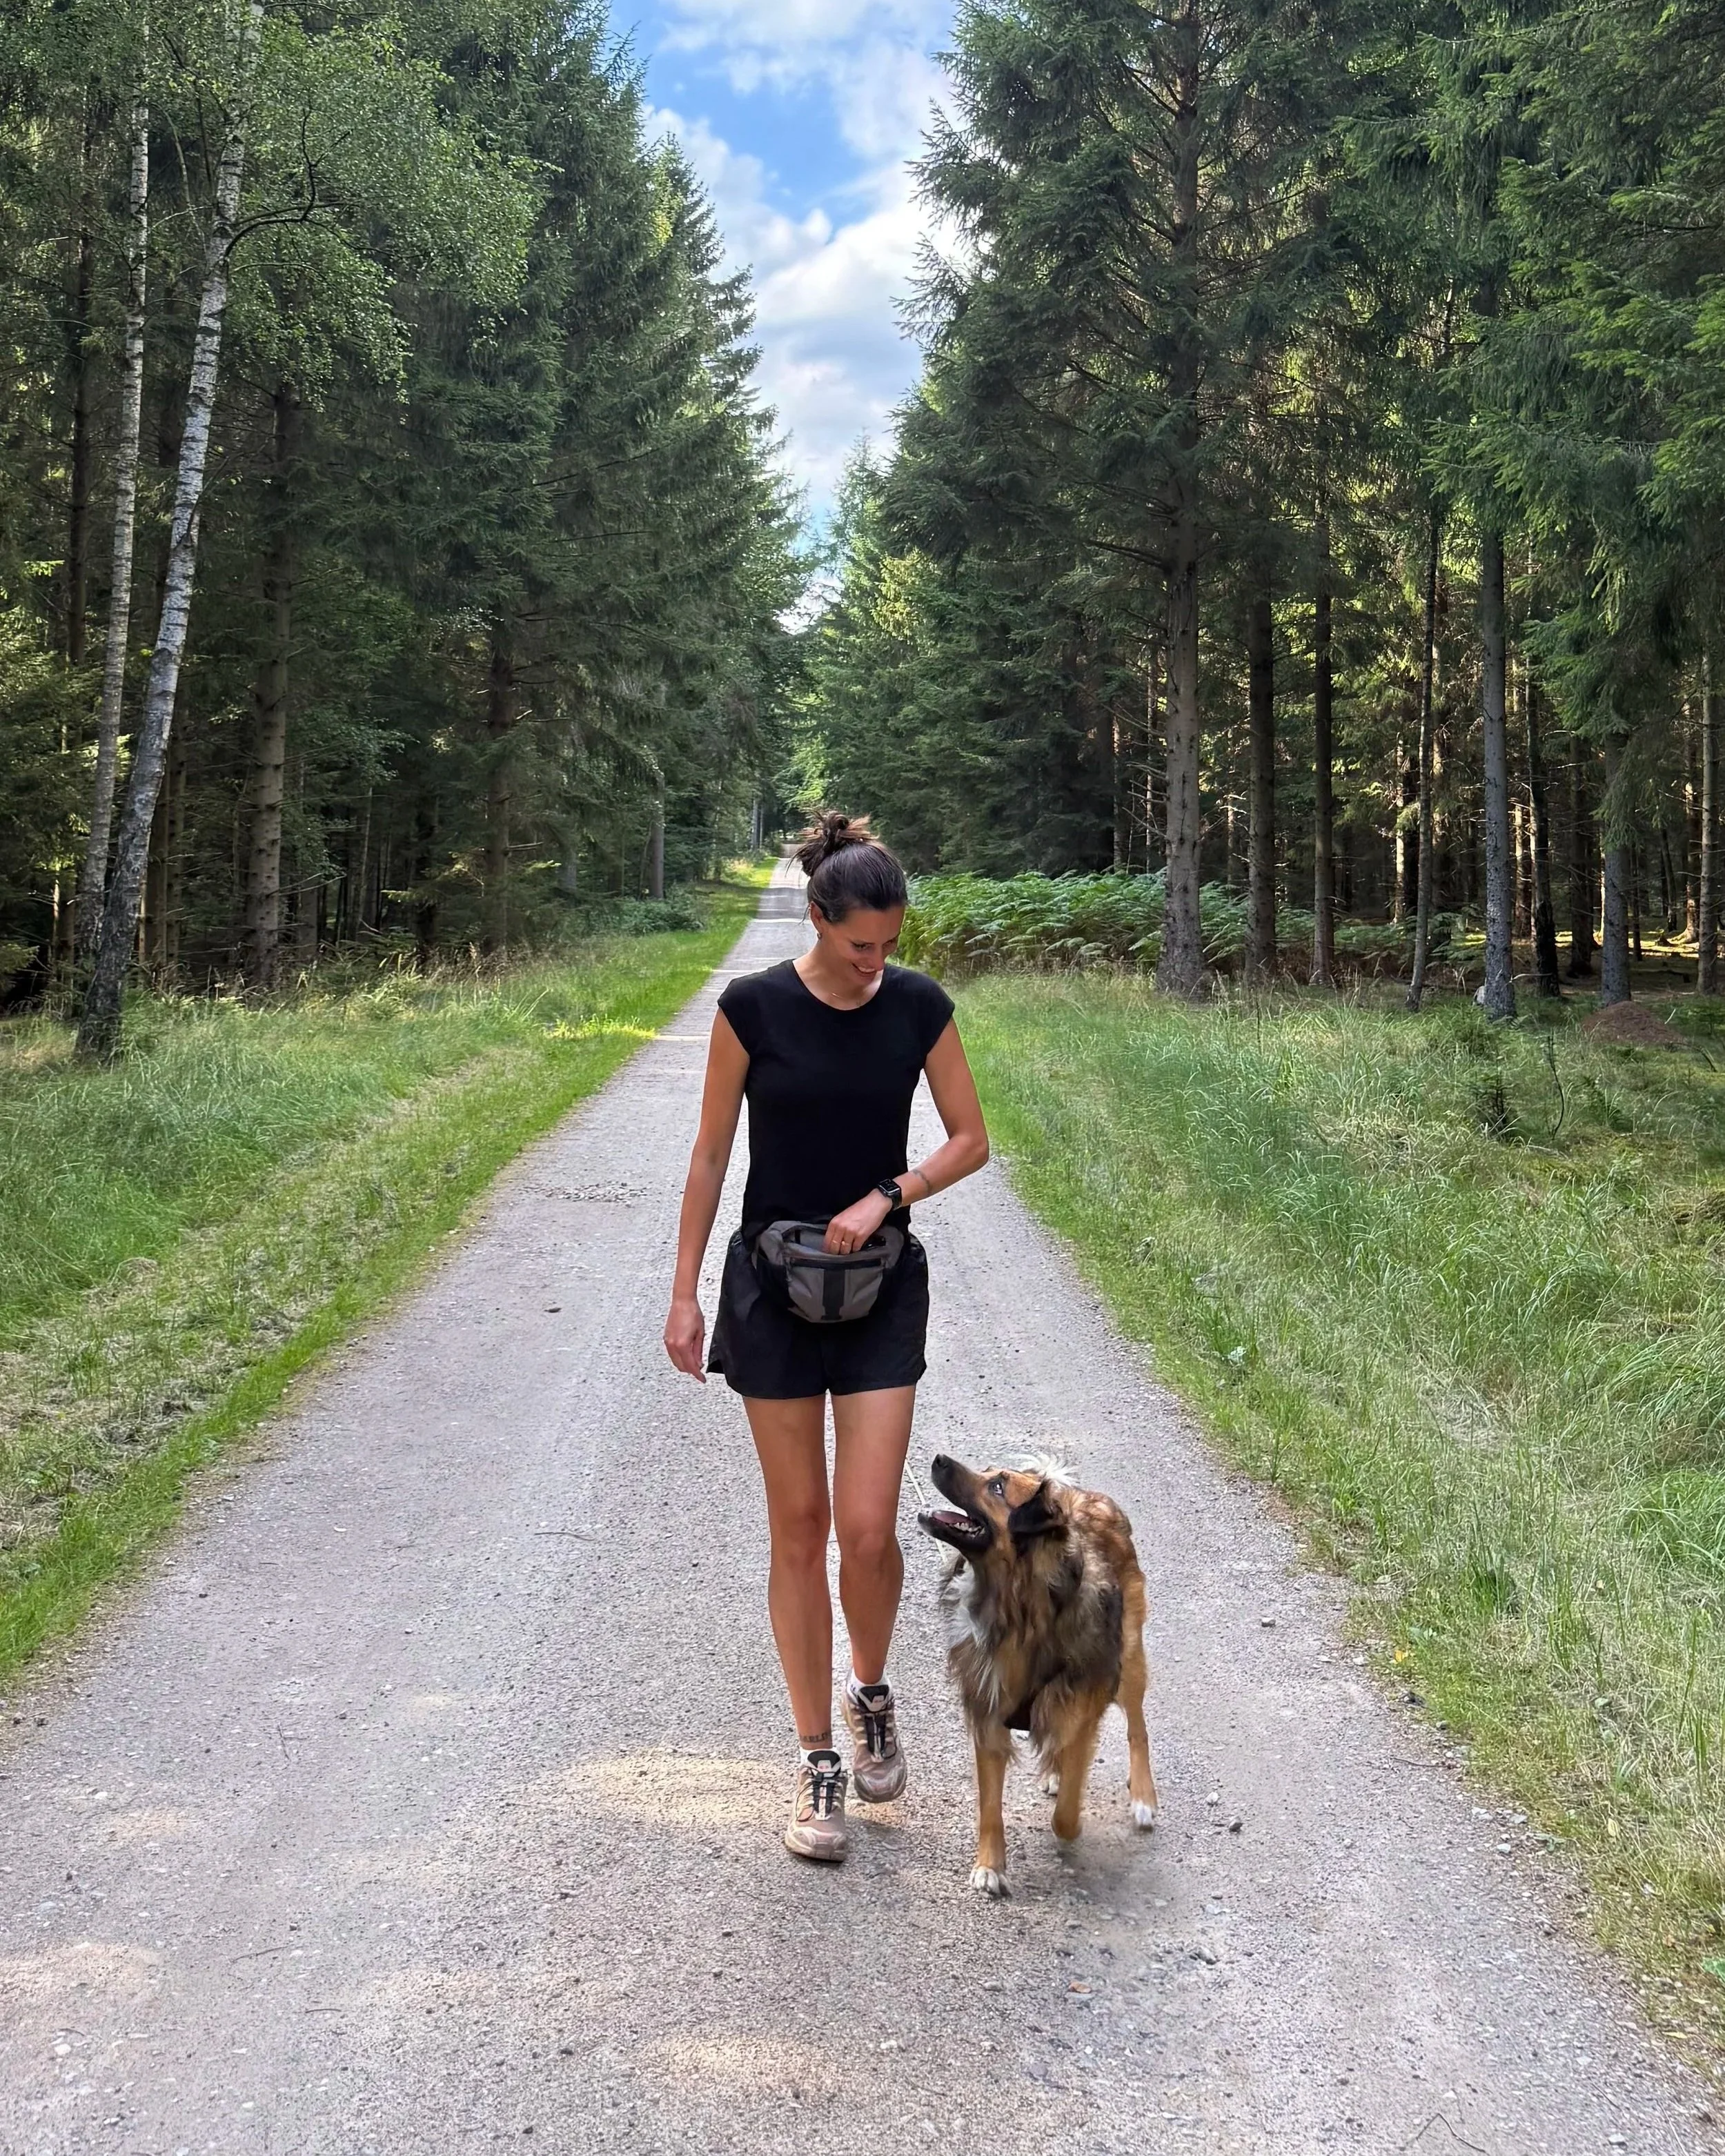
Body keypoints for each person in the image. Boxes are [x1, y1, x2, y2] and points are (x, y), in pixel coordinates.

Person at [663, 813, 990, 1862]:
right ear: (816, 918)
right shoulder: (752, 1009)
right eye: (860, 946)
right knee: (798, 1528)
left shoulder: (919, 1007)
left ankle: (872, 1691)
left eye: (890, 946)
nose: (875, 964)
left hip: (882, 1286)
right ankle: (815, 1761)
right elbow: (712, 1158)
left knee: (868, 1529)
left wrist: (891, 1191)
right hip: (772, 1289)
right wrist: (684, 1293)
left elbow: (972, 1140)